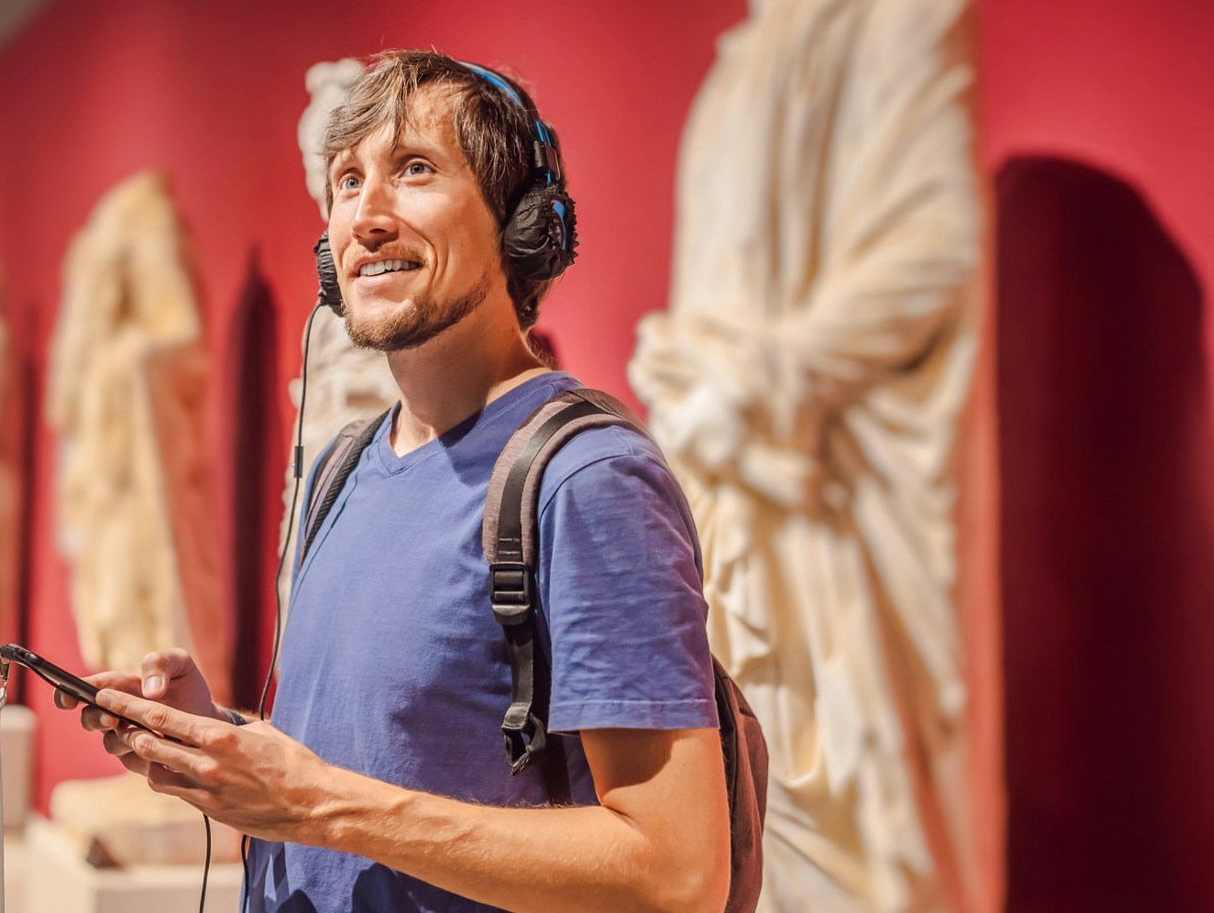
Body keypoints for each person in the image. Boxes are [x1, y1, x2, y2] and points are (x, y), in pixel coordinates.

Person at [58, 50, 731, 911]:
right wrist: (222, 748)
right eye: (345, 181)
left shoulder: (587, 480)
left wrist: (318, 806)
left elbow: (675, 874)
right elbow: (384, 765)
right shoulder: (342, 466)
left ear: (521, 222)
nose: (366, 216)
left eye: (414, 170)